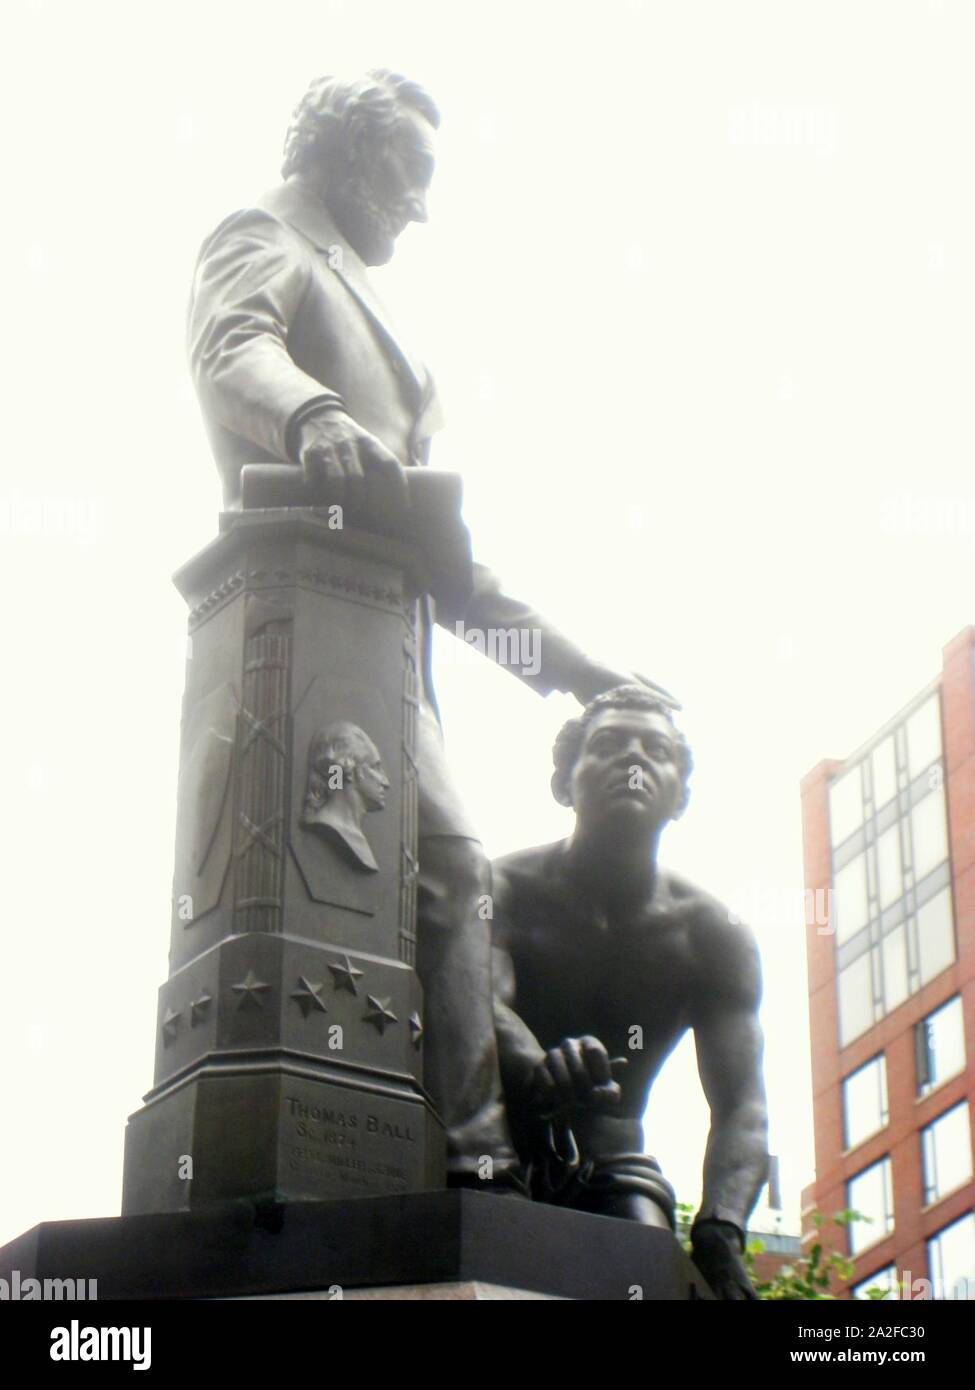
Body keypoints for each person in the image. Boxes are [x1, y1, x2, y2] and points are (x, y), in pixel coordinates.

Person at [187, 69, 673, 1187]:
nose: (420, 202)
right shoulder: (266, 237)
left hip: (386, 641)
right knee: (447, 867)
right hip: (300, 634)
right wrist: (309, 413)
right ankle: (474, 1151)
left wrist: (572, 669)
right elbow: (230, 349)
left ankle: (462, 1146)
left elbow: (451, 586)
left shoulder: (365, 291)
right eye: (411, 171)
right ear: (348, 153)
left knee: (450, 875)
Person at [492, 685, 769, 1296]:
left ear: (682, 797)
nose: (634, 759)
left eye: (657, 751)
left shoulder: (713, 936)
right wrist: (537, 1064)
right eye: (610, 745)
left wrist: (721, 1230)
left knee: (645, 1272)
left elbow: (743, 1106)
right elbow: (476, 999)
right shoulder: (498, 888)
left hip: (612, 1170)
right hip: (484, 1150)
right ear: (563, 782)